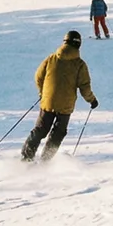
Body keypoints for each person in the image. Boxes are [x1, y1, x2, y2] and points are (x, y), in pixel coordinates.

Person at [21, 30, 98, 161]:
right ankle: (45, 160)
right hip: (65, 106)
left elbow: (38, 77)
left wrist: (43, 93)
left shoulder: (51, 58)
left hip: (48, 101)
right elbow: (84, 87)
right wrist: (92, 100)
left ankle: (26, 158)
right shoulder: (80, 64)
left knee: (40, 129)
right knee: (58, 133)